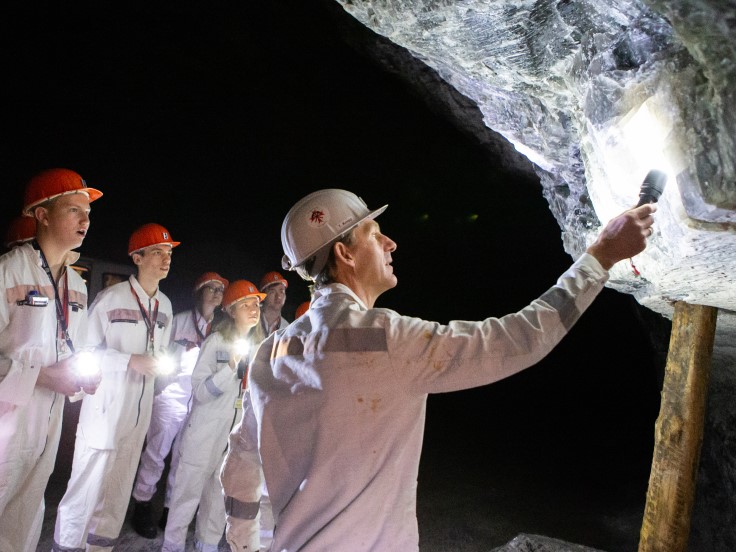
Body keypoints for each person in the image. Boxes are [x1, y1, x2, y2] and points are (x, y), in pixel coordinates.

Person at [241, 188, 656, 551]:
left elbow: (239, 469)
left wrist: (244, 545)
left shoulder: (268, 353)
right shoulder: (384, 340)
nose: (390, 242)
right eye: (372, 233)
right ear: (344, 253)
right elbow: (521, 338)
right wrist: (601, 256)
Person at [53, 222, 180, 551]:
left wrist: (162, 360)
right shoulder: (111, 298)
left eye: (168, 253)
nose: (166, 259)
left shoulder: (164, 306)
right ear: (137, 258)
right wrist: (128, 361)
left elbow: (160, 350)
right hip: (104, 413)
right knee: (84, 493)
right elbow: (83, 350)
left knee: (117, 495)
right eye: (157, 252)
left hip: (137, 418)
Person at [0, 167, 103, 552]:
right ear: (41, 214)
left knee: (27, 517)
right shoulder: (8, 272)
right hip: (8, 422)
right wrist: (42, 377)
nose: (85, 220)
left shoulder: (76, 284)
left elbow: (77, 348)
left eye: (88, 213)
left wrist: (81, 376)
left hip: (49, 421)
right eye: (74, 210)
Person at [161, 280, 266, 552]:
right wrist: (230, 367)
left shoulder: (260, 348)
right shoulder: (216, 342)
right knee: (186, 497)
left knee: (218, 501)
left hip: (234, 439)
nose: (254, 309)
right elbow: (200, 391)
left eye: (257, 304)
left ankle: (206, 546)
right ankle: (171, 546)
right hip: (204, 435)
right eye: (247, 304)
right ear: (231, 310)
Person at [131, 271, 229, 538]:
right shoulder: (179, 320)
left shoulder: (221, 329)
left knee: (184, 460)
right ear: (199, 292)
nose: (217, 293)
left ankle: (169, 509)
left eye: (221, 289)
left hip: (200, 402)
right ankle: (141, 503)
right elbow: (159, 350)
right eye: (211, 288)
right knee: (156, 453)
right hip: (172, 395)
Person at [258, 270, 290, 336]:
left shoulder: (287, 328)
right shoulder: (251, 320)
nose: (278, 297)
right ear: (263, 296)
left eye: (281, 291)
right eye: (272, 292)